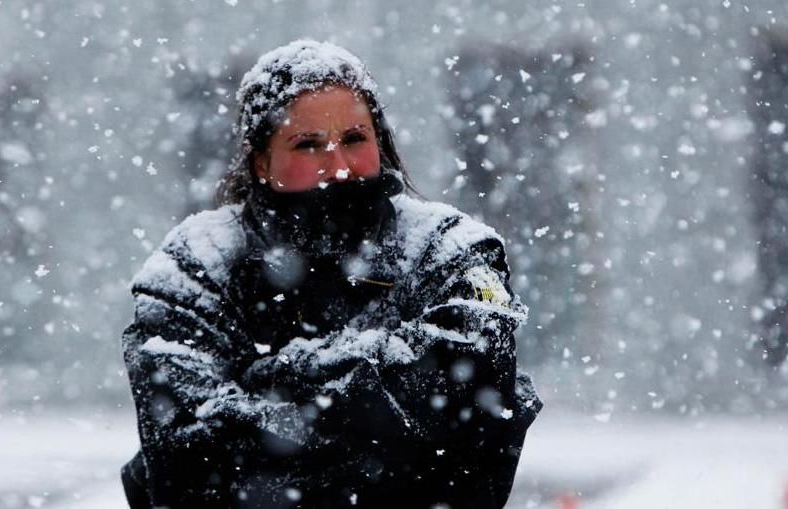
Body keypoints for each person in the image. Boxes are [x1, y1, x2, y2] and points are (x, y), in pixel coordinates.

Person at [120, 39, 542, 509]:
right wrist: (383, 416)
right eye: (309, 144)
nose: (339, 167)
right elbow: (186, 459)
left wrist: (272, 379)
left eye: (355, 139)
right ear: (261, 161)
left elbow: (473, 407)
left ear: (379, 142)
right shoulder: (193, 265)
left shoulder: (452, 249)